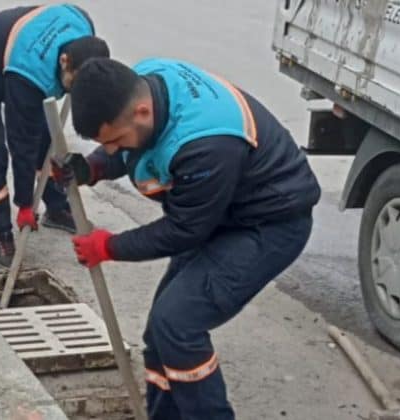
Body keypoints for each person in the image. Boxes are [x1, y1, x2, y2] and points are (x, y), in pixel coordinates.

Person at [53, 57, 321, 419]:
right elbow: (132, 148)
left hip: (269, 222)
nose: (114, 148)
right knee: (159, 334)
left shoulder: (205, 145)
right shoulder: (146, 82)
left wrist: (108, 246)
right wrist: (93, 167)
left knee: (177, 324)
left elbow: (185, 230)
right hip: (222, 212)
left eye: (114, 141)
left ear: (143, 111)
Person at [0, 4, 110, 267]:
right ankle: (0, 231)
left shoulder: (83, 27)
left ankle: (56, 208)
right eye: (75, 82)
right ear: (64, 62)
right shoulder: (31, 72)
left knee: (45, 139)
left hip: (10, 59)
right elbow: (20, 142)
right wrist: (25, 204)